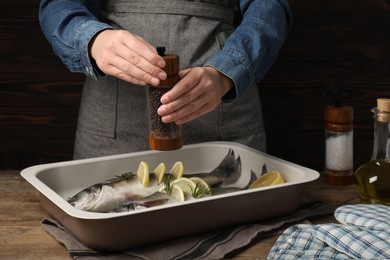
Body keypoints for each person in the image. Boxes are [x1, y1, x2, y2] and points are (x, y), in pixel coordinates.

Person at [39, 0, 292, 159]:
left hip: (223, 106)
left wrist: (227, 71)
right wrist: (92, 39)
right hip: (113, 122)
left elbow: (269, 7)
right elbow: (57, 5)